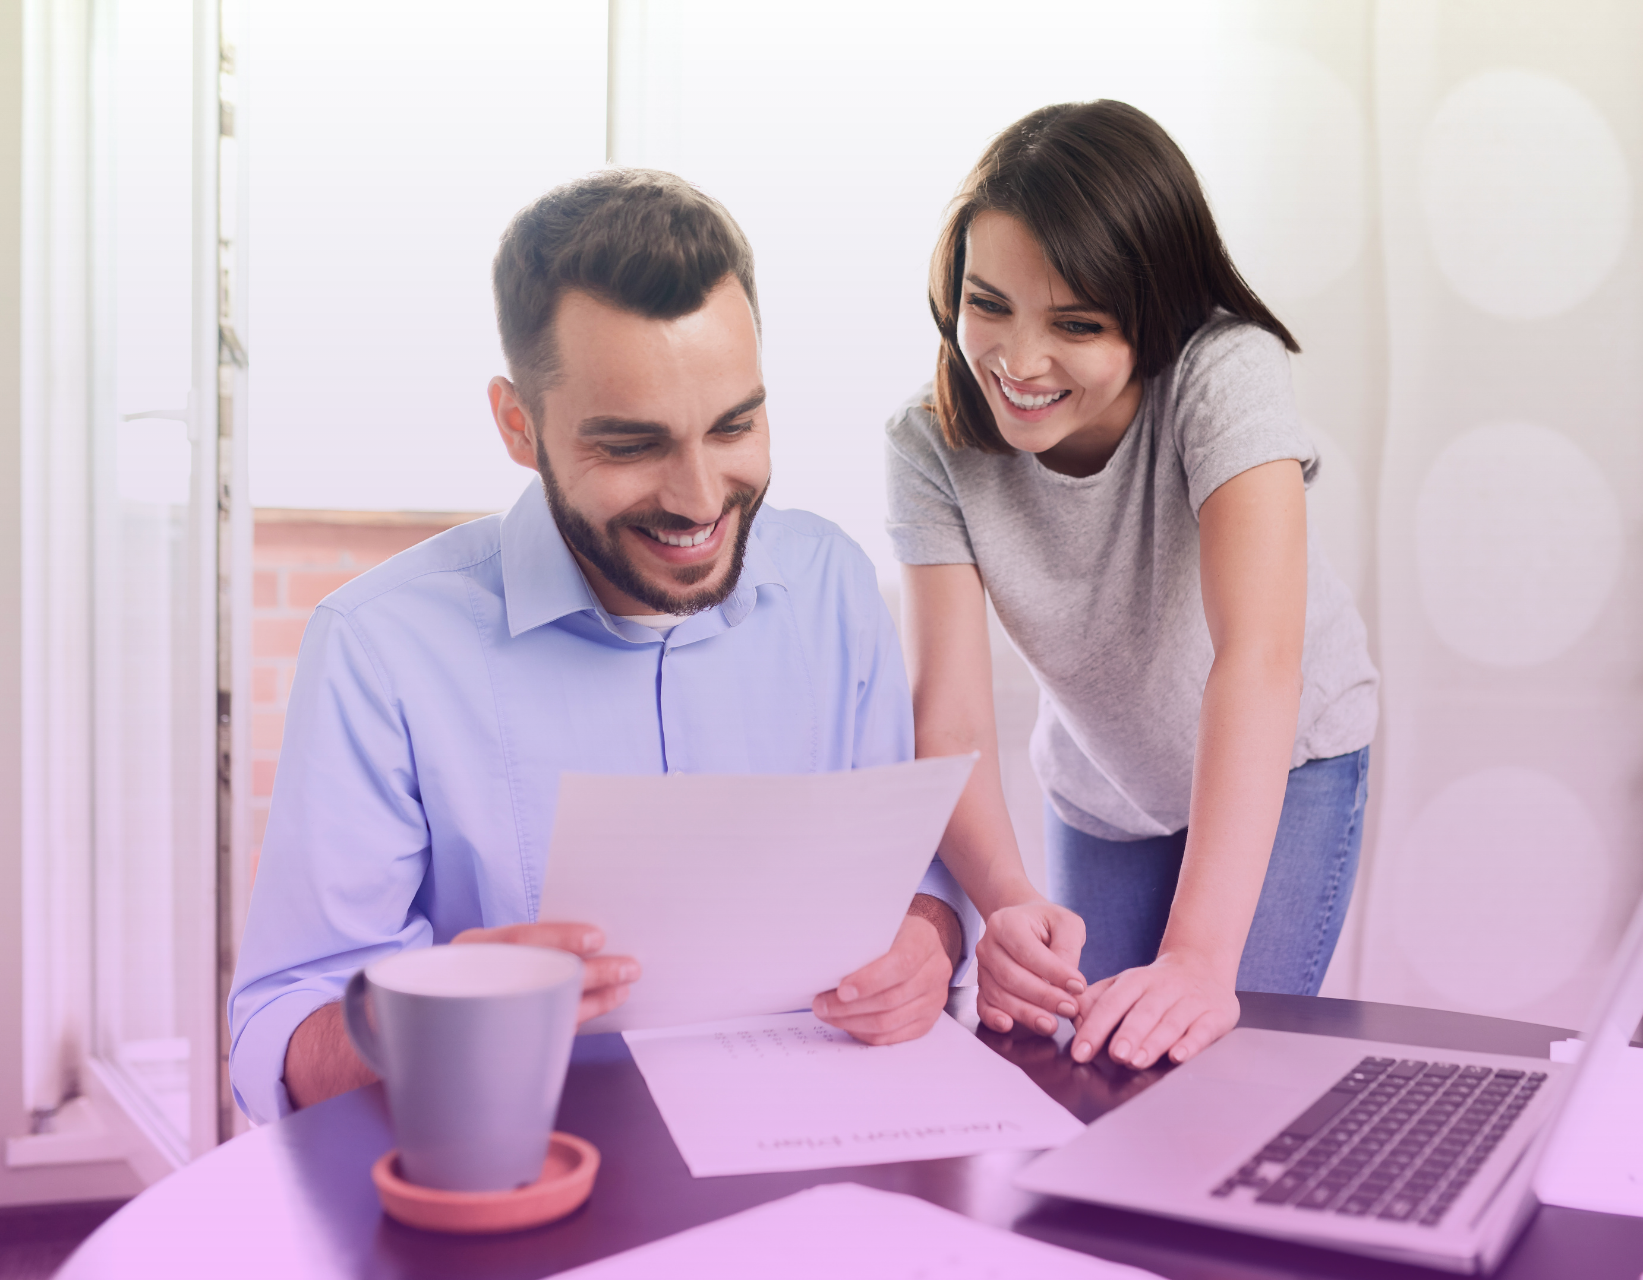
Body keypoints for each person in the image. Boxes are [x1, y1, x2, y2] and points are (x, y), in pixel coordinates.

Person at [228, 170, 966, 1122]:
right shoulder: (382, 649)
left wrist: (929, 941)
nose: (701, 498)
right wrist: (424, 1015)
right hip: (525, 1183)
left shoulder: (833, 585)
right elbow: (279, 1039)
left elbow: (913, 889)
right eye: (632, 445)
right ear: (518, 427)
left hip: (803, 1161)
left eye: (734, 425)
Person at [887, 100, 1378, 1073]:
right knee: (1090, 1065)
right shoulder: (929, 441)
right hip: (1103, 786)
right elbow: (946, 714)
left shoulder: (1224, 372)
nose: (1018, 362)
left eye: (1075, 323)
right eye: (988, 304)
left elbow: (1260, 655)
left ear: (1153, 313)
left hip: (1286, 760)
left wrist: (1197, 957)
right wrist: (1009, 900)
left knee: (1211, 1063)